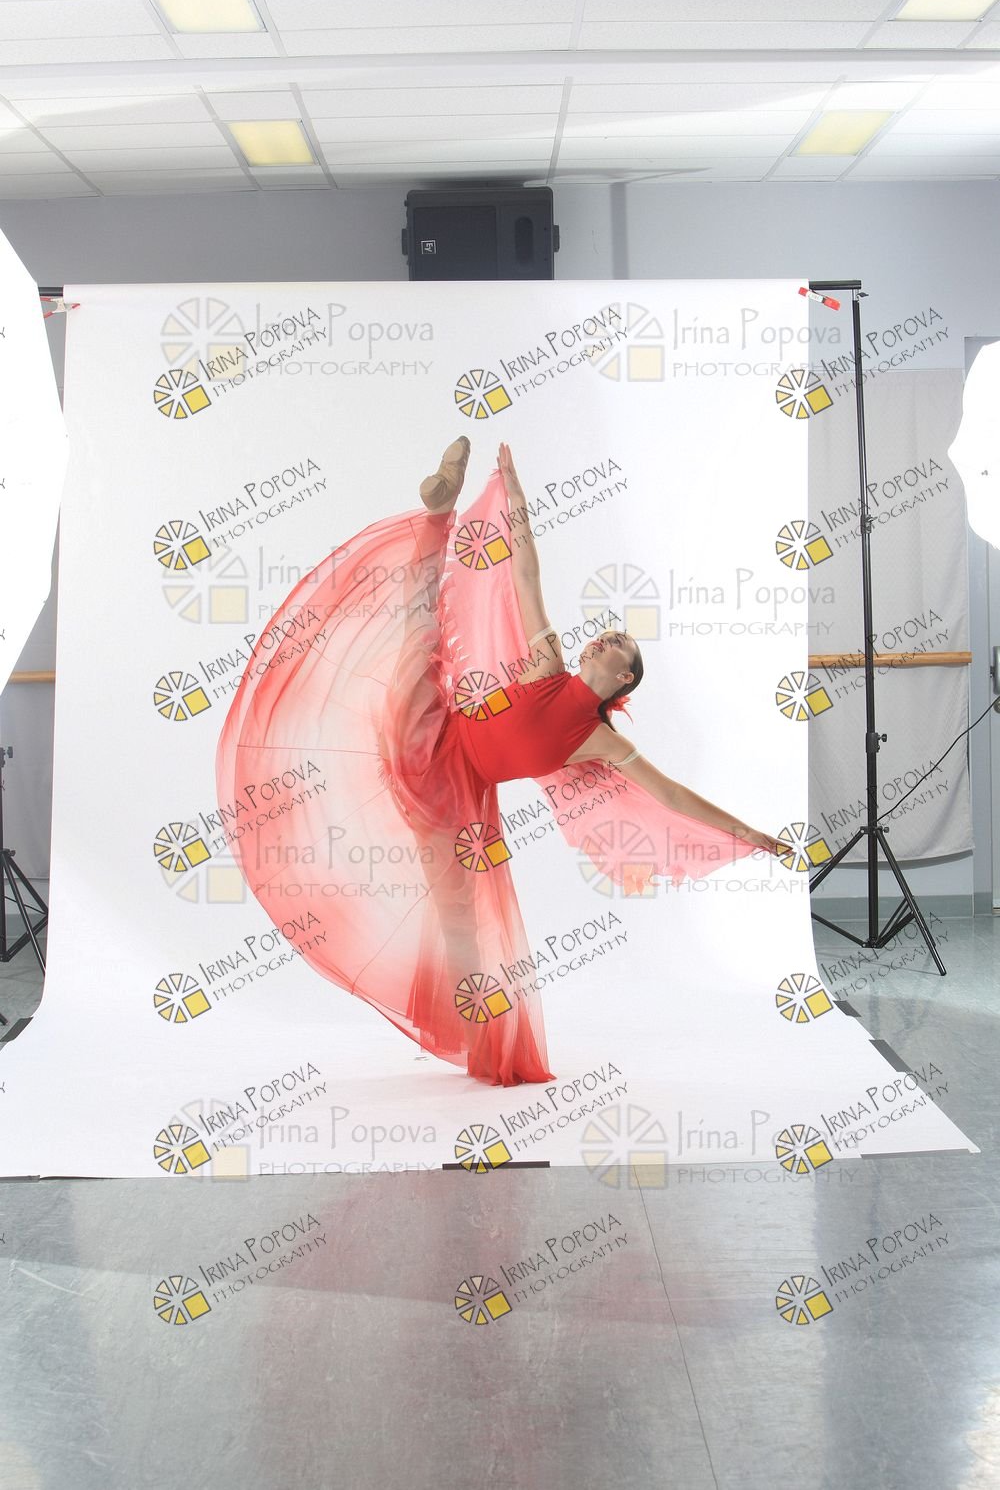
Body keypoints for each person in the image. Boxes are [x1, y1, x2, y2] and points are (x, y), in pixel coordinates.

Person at [217, 437, 788, 1088]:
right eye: (605, 632)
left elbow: (673, 796)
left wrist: (751, 834)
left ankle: (476, 1035)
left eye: (618, 643)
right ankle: (440, 512)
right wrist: (516, 498)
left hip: (455, 801)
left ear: (624, 677)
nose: (603, 635)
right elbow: (526, 578)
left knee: (461, 922)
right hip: (432, 729)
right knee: (421, 637)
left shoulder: (599, 741)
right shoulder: (547, 663)